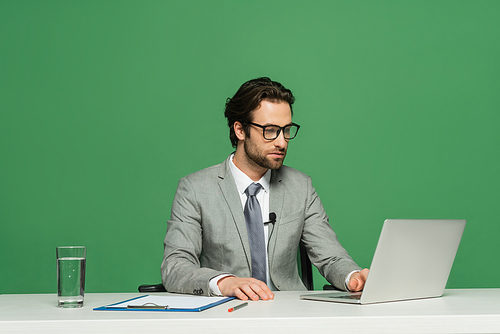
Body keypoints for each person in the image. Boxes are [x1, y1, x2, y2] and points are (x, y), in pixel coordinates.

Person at [161, 77, 369, 301]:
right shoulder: (194, 189)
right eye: (270, 130)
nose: (281, 142)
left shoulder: (301, 186)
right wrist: (225, 282)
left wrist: (353, 276)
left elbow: (331, 257)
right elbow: (175, 265)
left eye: (286, 130)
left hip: (290, 314)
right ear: (240, 130)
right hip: (225, 314)